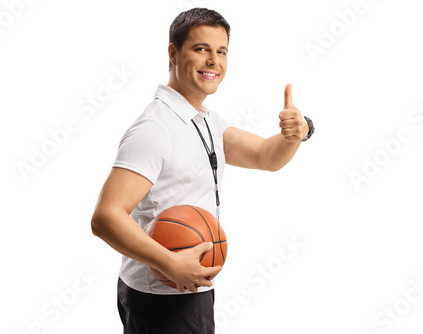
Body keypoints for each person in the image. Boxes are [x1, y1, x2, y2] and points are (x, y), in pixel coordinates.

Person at [91, 7, 313, 334]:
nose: (214, 60)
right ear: (173, 53)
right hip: (164, 295)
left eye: (221, 51)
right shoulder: (155, 129)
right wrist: (169, 263)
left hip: (187, 284)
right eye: (201, 49)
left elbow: (267, 156)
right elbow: (106, 217)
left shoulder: (205, 121)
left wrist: (297, 133)